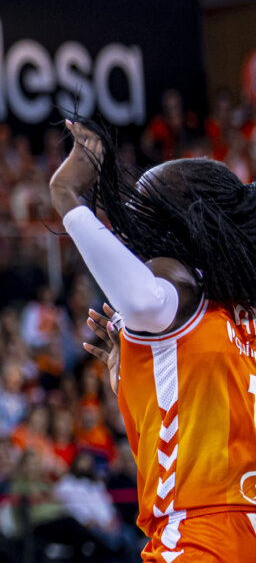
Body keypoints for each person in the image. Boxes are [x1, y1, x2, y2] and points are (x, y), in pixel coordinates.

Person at [51, 119, 256, 559]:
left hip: (201, 535)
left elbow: (144, 301)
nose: (133, 220)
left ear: (180, 223)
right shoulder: (239, 313)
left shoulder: (178, 283)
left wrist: (66, 195)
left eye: (145, 209)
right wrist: (138, 384)